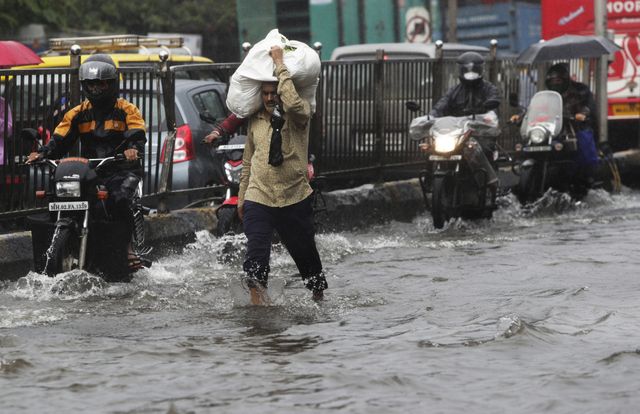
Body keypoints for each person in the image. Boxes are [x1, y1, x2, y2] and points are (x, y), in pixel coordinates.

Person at [205, 45, 327, 304]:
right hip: (259, 197)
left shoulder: (299, 114)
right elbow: (249, 160)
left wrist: (279, 63)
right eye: (266, 94)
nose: (271, 98)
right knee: (256, 257)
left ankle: (318, 295)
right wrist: (242, 198)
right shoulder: (256, 120)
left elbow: (292, 102)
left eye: (275, 93)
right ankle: (259, 313)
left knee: (306, 256)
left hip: (294, 196)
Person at [26, 54, 149, 271]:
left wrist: (133, 149)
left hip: (121, 169)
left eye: (100, 83)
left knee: (119, 199)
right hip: (91, 170)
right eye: (90, 84)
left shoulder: (127, 110)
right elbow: (59, 139)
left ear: (111, 83)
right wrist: (43, 153)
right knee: (59, 196)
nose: (95, 88)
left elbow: (137, 133)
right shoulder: (76, 113)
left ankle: (128, 248)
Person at [511, 63, 599, 190]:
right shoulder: (547, 95)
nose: (555, 83)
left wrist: (583, 113)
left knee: (584, 142)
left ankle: (587, 177)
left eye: (557, 80)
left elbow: (589, 106)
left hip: (572, 127)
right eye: (551, 80)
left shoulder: (581, 90)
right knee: (526, 145)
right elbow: (534, 109)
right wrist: (521, 116)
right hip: (550, 129)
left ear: (565, 79)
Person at [429, 51, 501, 192]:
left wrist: (486, 113)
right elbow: (442, 105)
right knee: (430, 147)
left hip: (481, 132)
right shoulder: (454, 91)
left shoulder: (489, 89)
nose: (470, 73)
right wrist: (431, 116)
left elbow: (494, 102)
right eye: (466, 70)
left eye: (474, 70)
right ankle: (429, 182)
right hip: (457, 132)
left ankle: (489, 184)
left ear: (481, 70)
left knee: (483, 149)